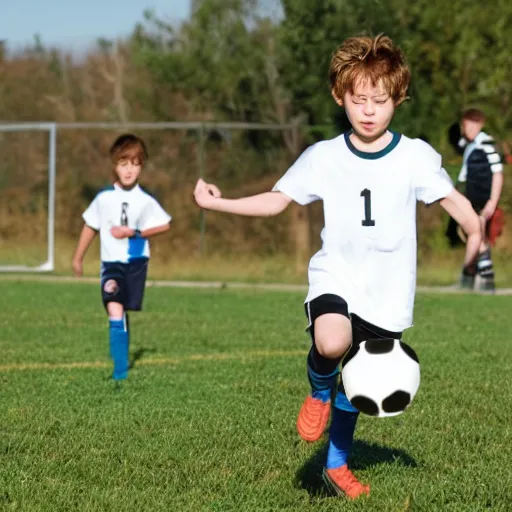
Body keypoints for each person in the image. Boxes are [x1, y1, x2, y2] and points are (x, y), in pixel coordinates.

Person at [193, 34, 481, 500]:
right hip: (337, 275)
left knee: (361, 382)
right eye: (358, 99)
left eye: (380, 100)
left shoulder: (415, 157)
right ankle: (317, 391)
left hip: (388, 291)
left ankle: (336, 466)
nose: (369, 110)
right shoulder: (324, 156)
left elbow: (457, 205)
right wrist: (219, 203)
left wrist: (474, 230)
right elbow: (276, 202)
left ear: (398, 99)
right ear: (340, 96)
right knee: (332, 341)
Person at [72, 134, 172, 381]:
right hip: (111, 264)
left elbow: (164, 225)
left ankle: (122, 357)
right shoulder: (104, 197)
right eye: (123, 164)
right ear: (115, 165)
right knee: (114, 308)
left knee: (124, 309)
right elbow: (90, 226)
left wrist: (135, 232)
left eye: (134, 164)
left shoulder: (145, 200)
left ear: (142, 166)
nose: (128, 170)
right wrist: (78, 257)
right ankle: (119, 372)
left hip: (136, 263)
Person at [456, 109, 504, 292]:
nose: (465, 129)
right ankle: (482, 277)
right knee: (476, 234)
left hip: (484, 198)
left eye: (468, 125)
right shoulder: (469, 144)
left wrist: (492, 201)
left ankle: (472, 276)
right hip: (472, 198)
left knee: (477, 233)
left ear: (478, 125)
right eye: (464, 125)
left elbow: (497, 174)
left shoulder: (487, 144)